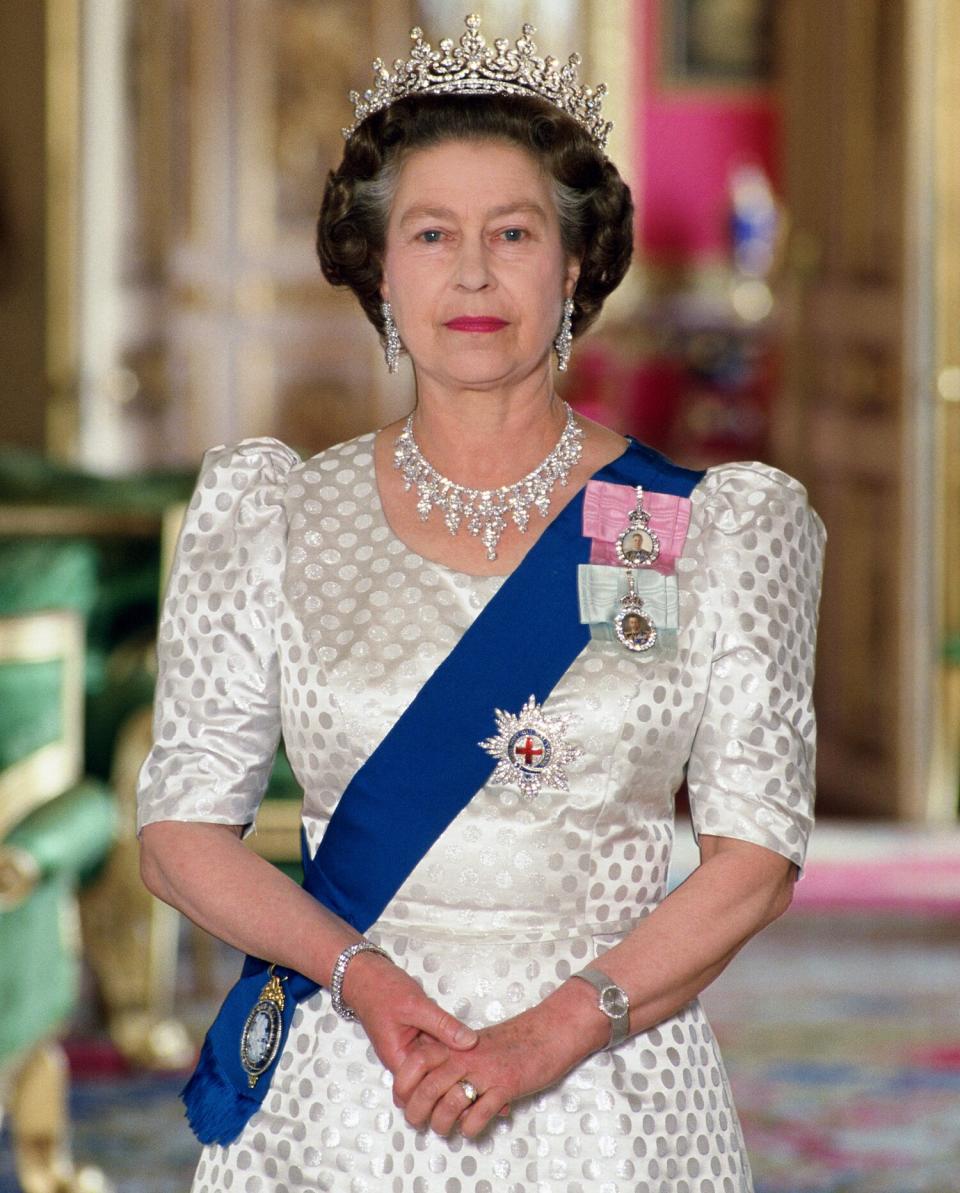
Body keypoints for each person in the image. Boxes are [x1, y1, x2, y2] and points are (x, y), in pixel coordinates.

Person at [137, 14, 825, 1192]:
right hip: (348, 1078)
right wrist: (366, 979)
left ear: (574, 265)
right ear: (380, 269)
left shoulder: (711, 527)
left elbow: (756, 852)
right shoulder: (274, 515)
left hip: (614, 1086)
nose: (470, 272)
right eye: (430, 233)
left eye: (513, 232)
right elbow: (179, 833)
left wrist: (557, 1027)